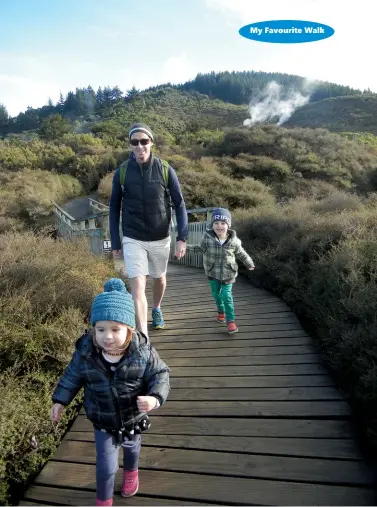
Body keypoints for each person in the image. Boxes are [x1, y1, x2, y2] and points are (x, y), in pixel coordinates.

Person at [50, 278, 170, 506]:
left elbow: (160, 374)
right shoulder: (86, 353)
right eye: (100, 329)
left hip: (132, 416)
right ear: (93, 328)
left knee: (132, 449)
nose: (107, 336)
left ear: (129, 328)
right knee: (105, 466)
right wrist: (60, 401)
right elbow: (72, 376)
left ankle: (131, 473)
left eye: (116, 329)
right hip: (102, 419)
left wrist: (155, 398)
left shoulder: (143, 352)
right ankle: (103, 500)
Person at [109, 123, 188, 337]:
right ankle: (143, 335)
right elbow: (114, 208)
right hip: (133, 237)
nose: (140, 146)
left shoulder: (165, 169)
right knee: (137, 284)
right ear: (130, 145)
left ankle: (157, 308)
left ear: (151, 142)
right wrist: (115, 241)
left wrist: (182, 237)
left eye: (144, 141)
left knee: (159, 278)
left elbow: (179, 204)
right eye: (135, 142)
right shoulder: (122, 172)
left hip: (160, 236)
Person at [187, 208, 255, 334]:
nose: (219, 226)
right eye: (216, 223)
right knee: (216, 295)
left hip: (228, 273)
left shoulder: (234, 241)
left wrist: (249, 263)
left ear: (228, 225)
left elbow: (242, 253)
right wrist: (185, 249)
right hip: (212, 272)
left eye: (223, 223)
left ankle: (231, 321)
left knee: (226, 296)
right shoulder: (207, 238)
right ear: (212, 225)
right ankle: (220, 311)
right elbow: (199, 249)